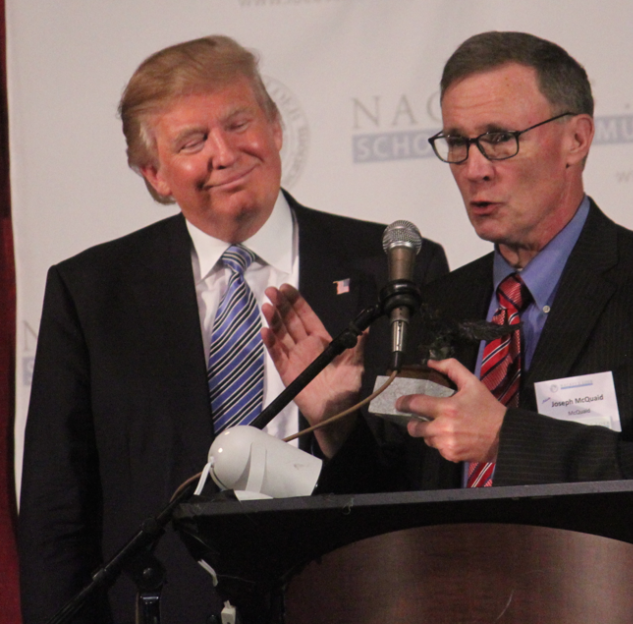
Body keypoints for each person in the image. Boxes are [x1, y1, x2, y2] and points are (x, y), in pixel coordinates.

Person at [17, 36, 448, 624]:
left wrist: (338, 427)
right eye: (193, 142)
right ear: (154, 174)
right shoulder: (91, 292)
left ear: (274, 127)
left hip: (348, 600)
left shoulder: (393, 272)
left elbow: (429, 481)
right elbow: (55, 512)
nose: (225, 153)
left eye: (239, 123)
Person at [264, 31, 633, 501]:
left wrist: (505, 439)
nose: (474, 169)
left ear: (576, 139)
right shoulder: (435, 305)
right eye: (457, 142)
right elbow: (390, 506)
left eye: (499, 138)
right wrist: (339, 418)